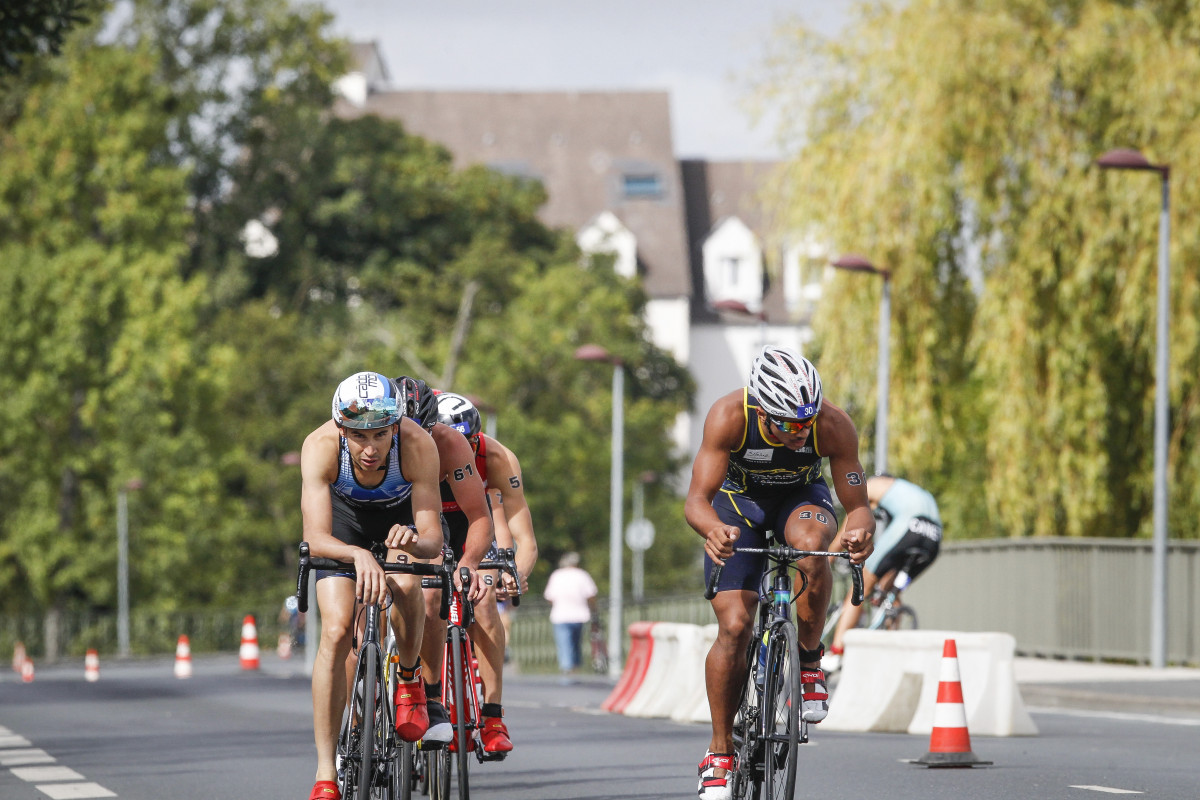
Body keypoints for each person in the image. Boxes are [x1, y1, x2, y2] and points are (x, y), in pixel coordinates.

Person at [684, 345, 875, 800]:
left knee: (811, 547)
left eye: (805, 423)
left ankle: (808, 663)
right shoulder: (729, 415)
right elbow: (696, 500)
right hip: (737, 506)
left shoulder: (832, 424)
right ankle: (719, 753)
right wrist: (712, 530)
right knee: (735, 626)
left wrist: (861, 531)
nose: (799, 432)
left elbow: (858, 507)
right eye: (788, 424)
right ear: (761, 410)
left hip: (800, 499)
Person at [300, 371, 445, 800]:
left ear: (395, 426)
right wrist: (356, 554)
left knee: (407, 584)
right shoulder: (320, 446)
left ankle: (409, 679)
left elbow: (433, 539)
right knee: (336, 630)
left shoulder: (418, 444)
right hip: (342, 529)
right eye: (359, 436)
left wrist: (414, 541)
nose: (370, 448)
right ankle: (326, 772)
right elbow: (315, 537)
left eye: (381, 434)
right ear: (341, 429)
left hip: (399, 525)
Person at [405, 386, 540, 754]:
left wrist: (514, 575)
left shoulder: (497, 457)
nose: (459, 451)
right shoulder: (417, 448)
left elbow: (524, 538)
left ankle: (493, 716)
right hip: (428, 521)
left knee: (483, 602)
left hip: (470, 525)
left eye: (469, 443)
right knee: (427, 594)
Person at [394, 376, 492, 746]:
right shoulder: (367, 441)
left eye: (423, 432)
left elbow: (480, 515)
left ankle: (433, 695)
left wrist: (469, 563)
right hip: (377, 510)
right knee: (350, 619)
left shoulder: (450, 443)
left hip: (424, 516)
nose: (413, 441)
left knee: (433, 591)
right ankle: (356, 721)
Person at [826, 474, 942, 665]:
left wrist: (828, 557)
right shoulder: (914, 492)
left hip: (910, 526)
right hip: (934, 540)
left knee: (861, 586)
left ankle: (836, 653)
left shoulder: (873, 484)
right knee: (891, 591)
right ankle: (893, 647)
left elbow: (850, 525)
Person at [543, 551, 598, 681]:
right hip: (579, 614)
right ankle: (574, 667)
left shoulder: (557, 575)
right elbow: (591, 595)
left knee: (564, 642)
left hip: (560, 614)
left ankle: (567, 667)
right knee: (576, 642)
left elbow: (549, 596)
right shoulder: (582, 575)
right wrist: (593, 609)